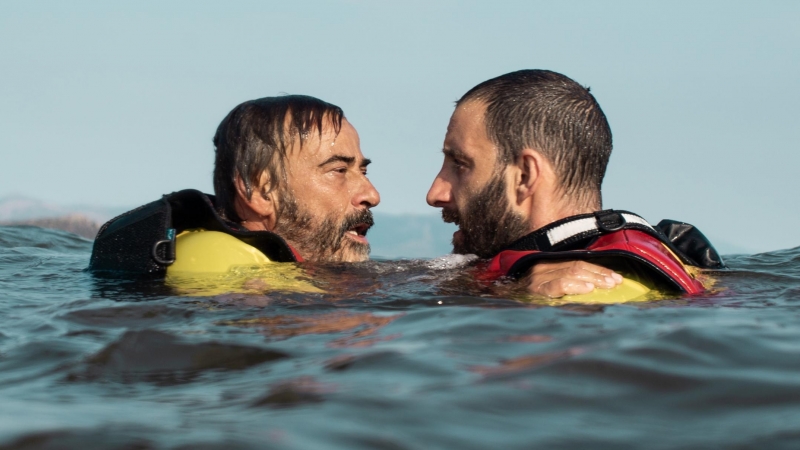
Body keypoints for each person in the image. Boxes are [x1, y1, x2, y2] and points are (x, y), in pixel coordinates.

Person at [426, 70, 722, 299]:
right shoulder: (529, 280)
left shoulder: (579, 296)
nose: (435, 194)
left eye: (461, 165)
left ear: (525, 176)